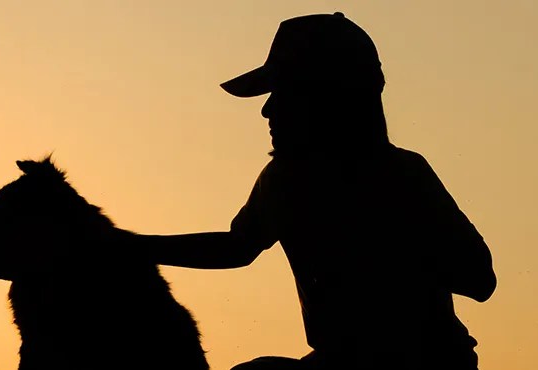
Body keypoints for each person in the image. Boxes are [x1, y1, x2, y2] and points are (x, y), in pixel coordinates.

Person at [134, 12, 496, 370]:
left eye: (285, 93)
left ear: (328, 100)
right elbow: (236, 247)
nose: (267, 110)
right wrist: (133, 247)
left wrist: (387, 243)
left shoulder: (402, 176)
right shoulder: (283, 181)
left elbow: (480, 280)